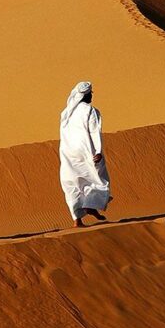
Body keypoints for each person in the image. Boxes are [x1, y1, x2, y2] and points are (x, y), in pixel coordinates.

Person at [59, 81, 112, 227]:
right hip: (85, 149)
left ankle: (77, 219)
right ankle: (91, 205)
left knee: (72, 182)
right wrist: (99, 151)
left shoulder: (66, 113)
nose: (91, 97)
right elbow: (95, 131)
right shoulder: (90, 110)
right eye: (90, 94)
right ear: (86, 95)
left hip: (68, 152)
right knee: (97, 178)